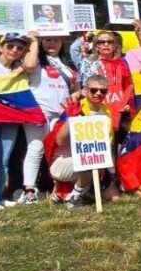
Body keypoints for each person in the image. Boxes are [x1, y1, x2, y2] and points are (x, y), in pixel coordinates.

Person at [0, 32, 38, 210]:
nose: (15, 50)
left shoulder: (19, 68)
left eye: (20, 47)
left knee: (4, 159)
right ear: (0, 47)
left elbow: (31, 64)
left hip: (10, 117)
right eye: (10, 46)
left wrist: (34, 42)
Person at [20, 33, 79, 204]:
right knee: (36, 148)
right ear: (41, 42)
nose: (52, 43)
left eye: (56, 40)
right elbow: (29, 66)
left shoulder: (68, 64)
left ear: (62, 42)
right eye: (47, 40)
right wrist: (32, 41)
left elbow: (76, 87)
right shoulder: (36, 59)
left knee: (59, 150)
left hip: (61, 112)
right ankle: (29, 189)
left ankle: (60, 189)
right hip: (39, 110)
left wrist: (74, 97)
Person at [45, 76, 114, 209]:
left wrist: (112, 174)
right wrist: (70, 119)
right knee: (93, 160)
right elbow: (59, 141)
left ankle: (68, 195)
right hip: (63, 162)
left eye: (103, 91)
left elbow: (107, 144)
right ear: (85, 91)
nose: (98, 93)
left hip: (89, 160)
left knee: (114, 197)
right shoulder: (76, 108)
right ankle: (73, 197)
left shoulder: (107, 112)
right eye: (94, 90)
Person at [77, 30, 134, 130]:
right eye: (101, 42)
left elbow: (128, 86)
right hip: (96, 108)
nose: (106, 44)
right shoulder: (88, 62)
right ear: (96, 46)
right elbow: (86, 87)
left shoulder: (122, 63)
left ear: (115, 46)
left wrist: (128, 104)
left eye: (110, 42)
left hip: (120, 109)